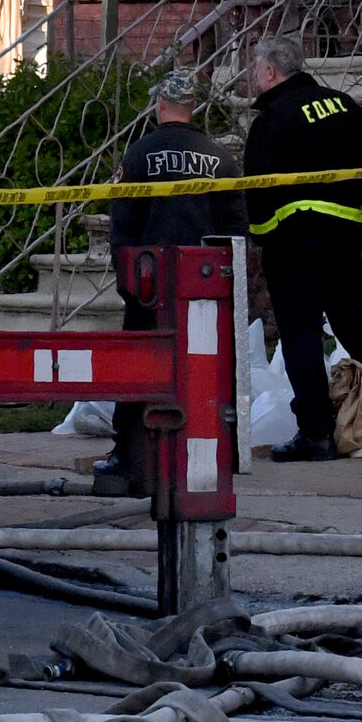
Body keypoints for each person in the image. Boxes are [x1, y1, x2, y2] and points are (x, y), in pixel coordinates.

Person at [241, 35, 362, 462]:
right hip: (343, 243)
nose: (253, 77)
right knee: (359, 330)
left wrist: (267, 238)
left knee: (301, 337)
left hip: (294, 248)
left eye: (255, 69)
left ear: (271, 72)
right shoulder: (343, 105)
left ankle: (315, 434)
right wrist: (358, 217)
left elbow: (259, 198)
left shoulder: (272, 120)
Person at [99, 67, 243, 487]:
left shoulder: (139, 154)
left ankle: (127, 452)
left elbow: (123, 223)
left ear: (160, 105)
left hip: (150, 281)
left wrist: (128, 279)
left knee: (138, 364)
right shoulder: (220, 158)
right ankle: (215, 451)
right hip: (206, 283)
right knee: (208, 369)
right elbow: (236, 225)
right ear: (191, 107)